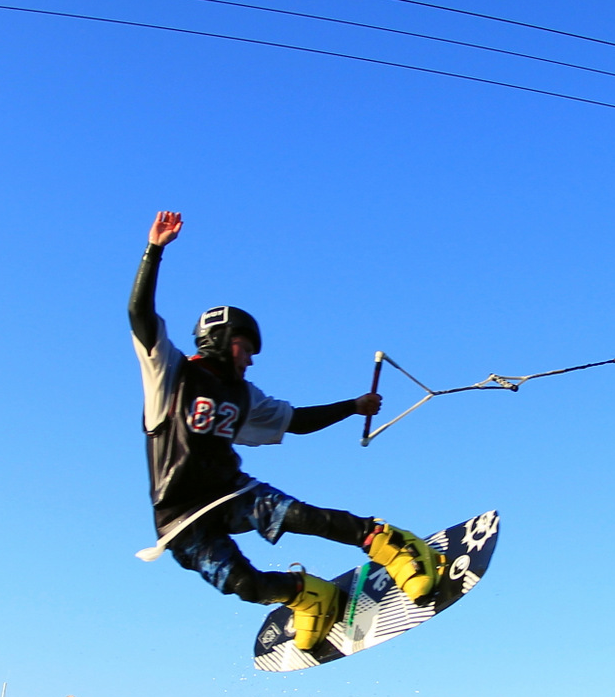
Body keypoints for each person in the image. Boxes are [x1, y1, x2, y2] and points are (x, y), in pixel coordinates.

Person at [130, 209, 441, 650]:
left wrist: (352, 406)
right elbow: (139, 314)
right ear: (219, 338)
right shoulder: (170, 374)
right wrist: (154, 250)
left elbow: (295, 422)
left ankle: (388, 541)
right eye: (245, 346)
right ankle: (309, 596)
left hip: (229, 491)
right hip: (178, 517)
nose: (251, 357)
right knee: (242, 584)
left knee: (297, 516)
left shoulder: (244, 395)